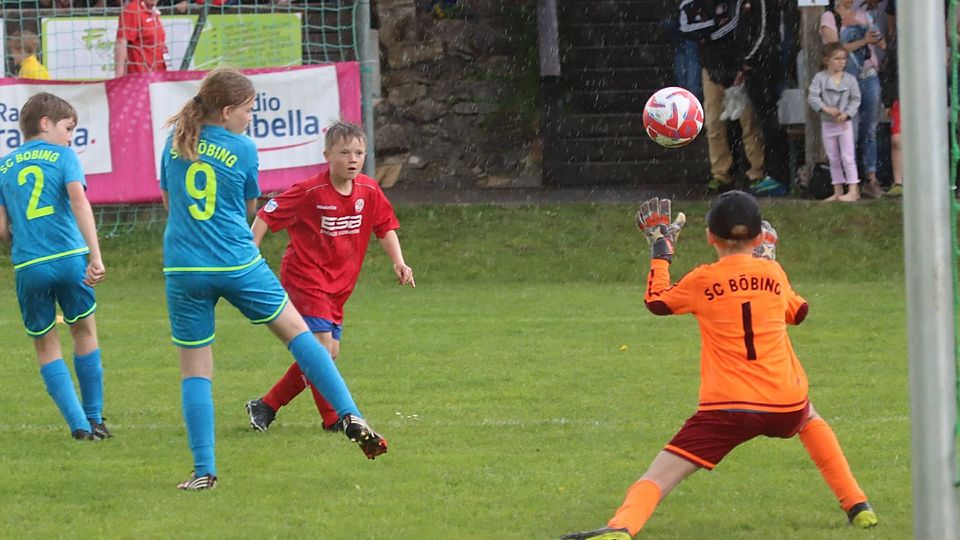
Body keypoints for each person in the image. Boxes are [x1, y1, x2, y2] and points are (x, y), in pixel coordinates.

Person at [560, 192, 877, 539]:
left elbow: (657, 302)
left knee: (660, 475)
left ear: (710, 236)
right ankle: (858, 506)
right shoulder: (773, 272)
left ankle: (622, 527)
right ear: (759, 238)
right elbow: (798, 313)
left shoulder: (703, 279)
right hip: (784, 402)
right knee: (809, 417)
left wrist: (661, 251)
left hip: (726, 407)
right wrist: (769, 261)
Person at [159, 69, 387, 491]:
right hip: (236, 262)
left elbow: (171, 204)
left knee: (195, 370)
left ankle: (203, 471)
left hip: (184, 268)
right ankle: (349, 412)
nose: (251, 117)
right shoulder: (243, 147)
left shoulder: (175, 146)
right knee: (301, 337)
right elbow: (248, 205)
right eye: (248, 109)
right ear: (227, 112)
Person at [244, 121, 415, 433]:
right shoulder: (310, 191)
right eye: (345, 152)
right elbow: (266, 214)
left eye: (359, 153)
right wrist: (249, 253)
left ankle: (266, 404)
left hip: (338, 285)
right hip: (306, 278)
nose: (353, 159)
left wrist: (399, 263)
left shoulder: (368, 190)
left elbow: (385, 225)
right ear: (327, 155)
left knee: (327, 353)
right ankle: (332, 418)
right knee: (322, 350)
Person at [0, 93, 110, 441]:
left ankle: (78, 425)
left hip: (29, 264)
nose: (70, 136)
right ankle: (95, 419)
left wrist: (17, 243)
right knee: (84, 332)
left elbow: (2, 229)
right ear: (45, 122)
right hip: (69, 258)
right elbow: (78, 200)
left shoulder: (4, 166)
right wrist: (95, 255)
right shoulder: (64, 156)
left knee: (46, 344)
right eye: (68, 127)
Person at [679, 0, 770, 195]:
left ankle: (757, 171)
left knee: (748, 121)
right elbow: (685, 28)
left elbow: (739, 26)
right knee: (712, 122)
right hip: (710, 67)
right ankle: (720, 174)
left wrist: (709, 35)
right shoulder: (692, 3)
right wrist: (713, 29)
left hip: (737, 64)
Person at [821, 0, 886, 199]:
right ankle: (851, 183)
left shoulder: (863, 15)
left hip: (869, 77)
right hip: (845, 82)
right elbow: (835, 50)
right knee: (850, 131)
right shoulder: (829, 18)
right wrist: (862, 41)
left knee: (870, 130)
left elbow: (882, 43)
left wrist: (866, 28)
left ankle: (871, 179)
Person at [809, 42, 863, 202]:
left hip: (844, 124)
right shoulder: (820, 78)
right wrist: (826, 109)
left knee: (848, 156)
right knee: (833, 157)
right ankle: (838, 189)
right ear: (827, 60)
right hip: (828, 123)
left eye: (843, 59)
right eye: (837, 59)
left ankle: (853, 188)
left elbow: (856, 99)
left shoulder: (850, 80)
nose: (841, 62)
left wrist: (847, 114)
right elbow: (813, 97)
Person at [114, 0, 167, 78]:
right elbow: (121, 43)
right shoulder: (133, 10)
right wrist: (119, 77)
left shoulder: (153, 11)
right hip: (139, 77)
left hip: (158, 75)